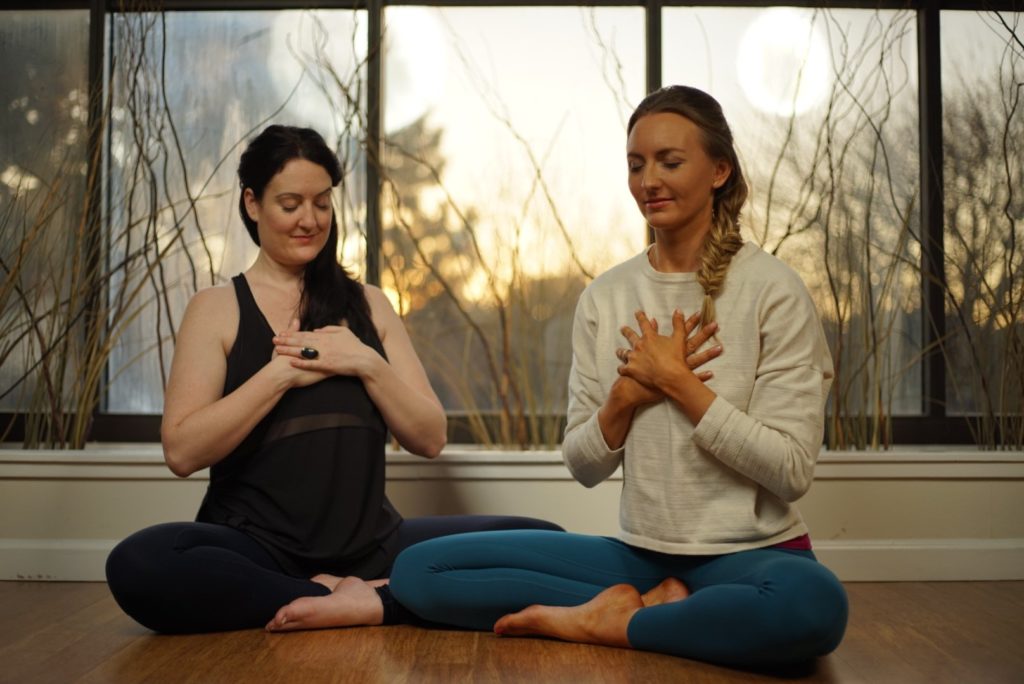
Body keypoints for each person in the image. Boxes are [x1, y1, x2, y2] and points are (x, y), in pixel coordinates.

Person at [287, 85, 846, 669]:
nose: (649, 180)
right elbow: (583, 464)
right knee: (422, 569)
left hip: (754, 556)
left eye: (670, 162)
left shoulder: (772, 290)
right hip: (639, 557)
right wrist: (625, 398)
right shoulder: (607, 297)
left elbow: (789, 469)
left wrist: (680, 384)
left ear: (720, 171)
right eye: (636, 164)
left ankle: (615, 623)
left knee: (813, 606)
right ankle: (659, 612)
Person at [105, 125, 561, 634]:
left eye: (322, 203)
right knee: (140, 562)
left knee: (541, 541)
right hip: (258, 553)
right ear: (252, 204)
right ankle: (337, 597)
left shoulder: (370, 305)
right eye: (291, 203)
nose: (309, 219)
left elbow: (429, 437)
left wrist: (364, 361)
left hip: (373, 547)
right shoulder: (215, 309)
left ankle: (370, 598)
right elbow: (182, 452)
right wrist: (281, 373)